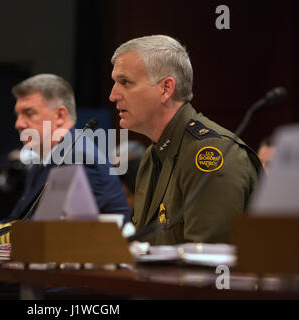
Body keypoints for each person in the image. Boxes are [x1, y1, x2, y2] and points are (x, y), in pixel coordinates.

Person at [109, 35, 262, 245]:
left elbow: (207, 264)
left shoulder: (209, 152)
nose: (113, 95)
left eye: (125, 82)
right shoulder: (151, 156)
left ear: (166, 88)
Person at [0, 74, 130, 246]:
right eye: (17, 115)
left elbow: (45, 233)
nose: (18, 124)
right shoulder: (41, 163)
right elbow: (18, 221)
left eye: (29, 113)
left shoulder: (80, 158)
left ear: (59, 115)